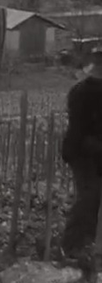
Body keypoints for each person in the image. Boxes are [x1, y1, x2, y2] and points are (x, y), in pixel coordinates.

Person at [60, 46, 102, 261]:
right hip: (81, 152)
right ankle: (72, 245)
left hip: (96, 150)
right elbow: (79, 133)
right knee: (90, 194)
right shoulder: (82, 93)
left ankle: (91, 242)